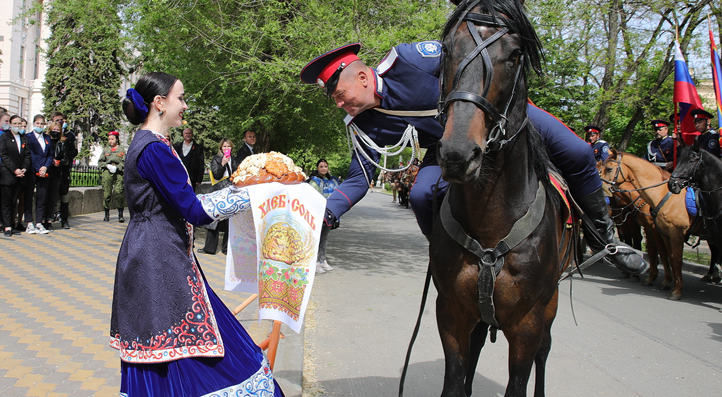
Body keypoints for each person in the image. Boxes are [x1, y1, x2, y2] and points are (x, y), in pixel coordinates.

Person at [298, 42, 648, 276]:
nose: (340, 104)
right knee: (420, 195)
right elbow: (359, 180)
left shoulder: (409, 60)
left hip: (500, 117)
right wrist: (325, 214)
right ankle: (448, 259)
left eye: (341, 95)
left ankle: (606, 240)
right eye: (336, 101)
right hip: (449, 147)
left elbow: (474, 55)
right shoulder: (364, 124)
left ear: (362, 77)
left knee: (578, 151)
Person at [113, 72, 300, 397]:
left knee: (164, 350)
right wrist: (251, 192)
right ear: (159, 103)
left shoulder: (149, 145)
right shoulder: (154, 149)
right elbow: (194, 210)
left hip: (154, 257)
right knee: (190, 348)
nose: (184, 105)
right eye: (180, 98)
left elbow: (182, 204)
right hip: (159, 262)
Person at [199, 138, 236, 255]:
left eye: (228, 146)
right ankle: (209, 248)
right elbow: (216, 174)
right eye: (224, 146)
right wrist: (223, 163)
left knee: (230, 222)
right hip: (218, 191)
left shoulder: (235, 160)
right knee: (214, 220)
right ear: (221, 148)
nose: (226, 149)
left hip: (231, 192)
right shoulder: (216, 159)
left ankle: (226, 249)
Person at [0, 115, 30, 237]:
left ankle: (12, 223)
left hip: (20, 175)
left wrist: (24, 169)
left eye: (19, 124)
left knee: (15, 202)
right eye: (15, 123)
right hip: (8, 174)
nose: (17, 126)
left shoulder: (24, 138)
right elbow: (3, 155)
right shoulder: (5, 137)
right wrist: (14, 169)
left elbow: (27, 155)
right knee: (7, 202)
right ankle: (6, 226)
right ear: (10, 124)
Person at [309, 159, 340, 273]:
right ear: (317, 168)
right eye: (321, 166)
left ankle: (322, 260)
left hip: (330, 213)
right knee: (317, 237)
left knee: (324, 238)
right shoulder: (314, 181)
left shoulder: (333, 181)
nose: (323, 168)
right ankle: (315, 262)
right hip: (318, 213)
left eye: (325, 166)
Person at [25, 114, 54, 234]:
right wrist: (38, 168)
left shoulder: (47, 138)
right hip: (32, 171)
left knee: (42, 197)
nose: (40, 126)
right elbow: (30, 154)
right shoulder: (28, 137)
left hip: (44, 171)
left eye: (42, 124)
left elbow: (50, 154)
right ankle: (28, 222)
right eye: (37, 123)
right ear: (33, 124)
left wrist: (45, 167)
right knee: (29, 197)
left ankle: (39, 222)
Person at [50, 111, 77, 229]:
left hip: (64, 168)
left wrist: (66, 155)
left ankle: (64, 219)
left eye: (62, 121)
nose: (60, 123)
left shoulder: (69, 135)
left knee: (64, 194)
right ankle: (50, 218)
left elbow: (75, 151)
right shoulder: (50, 135)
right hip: (52, 168)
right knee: (51, 195)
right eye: (57, 120)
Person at [101, 130, 126, 222]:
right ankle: (106, 214)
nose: (110, 141)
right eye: (109, 139)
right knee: (107, 193)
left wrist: (118, 167)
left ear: (117, 139)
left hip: (118, 172)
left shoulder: (121, 150)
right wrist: (107, 165)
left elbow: (124, 161)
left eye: (112, 139)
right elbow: (100, 162)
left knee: (119, 192)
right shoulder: (106, 150)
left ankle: (120, 214)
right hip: (107, 172)